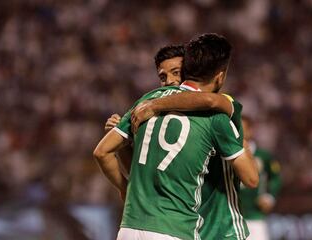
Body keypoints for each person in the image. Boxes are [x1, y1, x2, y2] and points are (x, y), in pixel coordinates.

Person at [93, 33, 258, 240]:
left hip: (218, 225)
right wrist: (125, 145)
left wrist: (155, 104)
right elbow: (144, 168)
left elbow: (210, 101)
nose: (170, 81)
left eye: (176, 73)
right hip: (181, 225)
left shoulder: (153, 102)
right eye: (163, 77)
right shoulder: (210, 116)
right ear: (219, 76)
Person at [240, 116, 282, 240]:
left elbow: (275, 178)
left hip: (254, 215)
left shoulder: (263, 156)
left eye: (243, 128)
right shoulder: (224, 154)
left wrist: (269, 197)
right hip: (229, 216)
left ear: (250, 130)